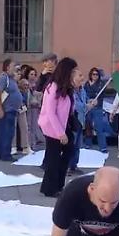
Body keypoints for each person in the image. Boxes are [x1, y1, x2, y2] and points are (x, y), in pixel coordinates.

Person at [37, 57, 79, 196]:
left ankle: (58, 185)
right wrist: (60, 133)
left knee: (67, 152)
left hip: (63, 125)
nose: (75, 73)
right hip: (52, 127)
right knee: (53, 158)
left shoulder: (66, 87)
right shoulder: (53, 87)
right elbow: (50, 112)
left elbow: (68, 108)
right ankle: (50, 189)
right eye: (73, 70)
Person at [0, 57, 24, 163]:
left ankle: (1, 154)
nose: (15, 68)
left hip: (12, 110)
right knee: (7, 133)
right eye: (13, 66)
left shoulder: (11, 79)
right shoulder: (3, 78)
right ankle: (5, 154)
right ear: (7, 67)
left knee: (5, 132)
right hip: (7, 110)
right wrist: (0, 109)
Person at [83, 67, 112, 154]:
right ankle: (88, 145)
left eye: (96, 74)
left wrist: (96, 101)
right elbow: (84, 94)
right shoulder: (87, 84)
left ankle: (103, 147)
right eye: (93, 74)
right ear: (90, 75)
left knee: (99, 127)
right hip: (88, 107)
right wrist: (88, 101)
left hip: (98, 108)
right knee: (88, 126)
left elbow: (101, 94)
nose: (95, 76)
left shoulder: (101, 84)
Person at [67, 66, 89, 174]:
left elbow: (85, 101)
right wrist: (86, 106)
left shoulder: (82, 90)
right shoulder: (70, 91)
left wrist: (90, 102)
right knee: (71, 144)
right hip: (72, 120)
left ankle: (74, 166)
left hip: (80, 120)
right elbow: (75, 105)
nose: (82, 78)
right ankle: (66, 166)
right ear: (73, 78)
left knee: (77, 145)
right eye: (80, 75)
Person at [14, 66, 34, 157]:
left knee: (24, 127)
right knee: (14, 128)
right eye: (17, 73)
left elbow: (27, 91)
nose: (18, 75)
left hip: (22, 107)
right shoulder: (11, 82)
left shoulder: (22, 81)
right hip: (13, 107)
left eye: (19, 73)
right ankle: (14, 146)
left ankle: (25, 146)